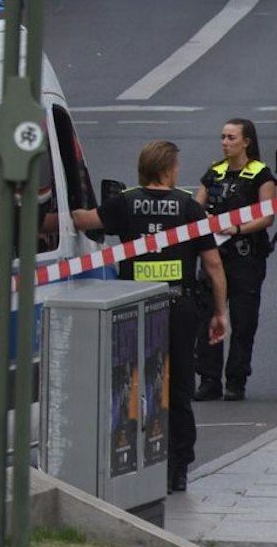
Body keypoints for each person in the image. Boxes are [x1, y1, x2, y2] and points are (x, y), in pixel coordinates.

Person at [70, 141, 228, 493]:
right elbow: (213, 264)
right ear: (169, 169)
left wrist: (59, 210)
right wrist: (220, 313)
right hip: (178, 307)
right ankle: (178, 470)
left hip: (134, 307)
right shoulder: (189, 207)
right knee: (181, 387)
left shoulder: (124, 202)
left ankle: (131, 461)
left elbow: (84, 221)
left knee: (132, 385)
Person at [195, 119, 276, 402]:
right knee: (207, 315)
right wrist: (202, 218)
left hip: (246, 257)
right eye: (223, 137)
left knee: (243, 320)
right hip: (213, 253)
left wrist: (237, 228)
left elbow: (266, 217)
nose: (225, 142)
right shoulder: (214, 172)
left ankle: (236, 380)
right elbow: (197, 206)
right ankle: (208, 379)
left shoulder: (261, 175)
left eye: (231, 138)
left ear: (246, 142)